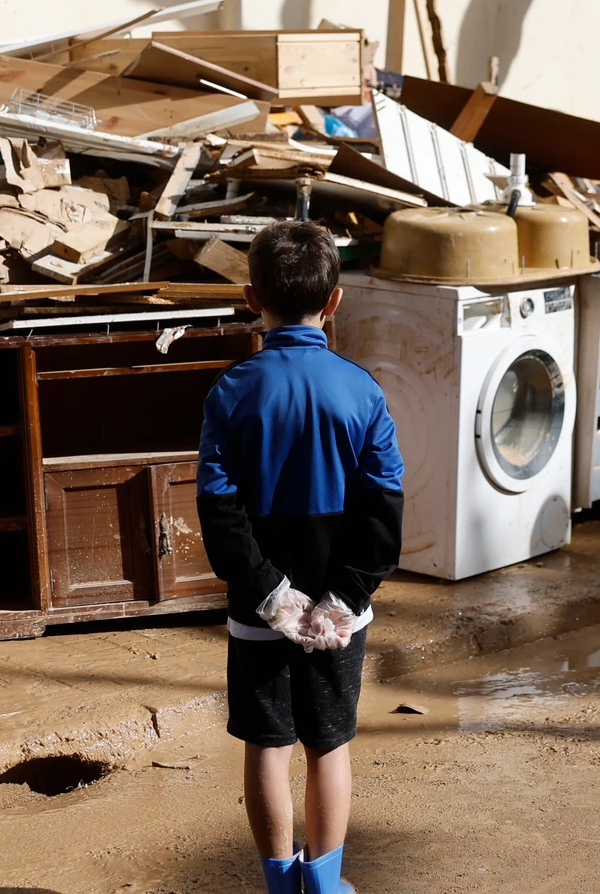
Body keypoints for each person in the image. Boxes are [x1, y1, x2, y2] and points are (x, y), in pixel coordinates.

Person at [198, 220, 405, 894]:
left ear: (251, 297)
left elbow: (218, 511)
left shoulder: (230, 391)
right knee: (328, 743)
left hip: (259, 609)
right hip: (340, 608)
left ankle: (278, 883)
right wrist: (341, 599)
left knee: (268, 741)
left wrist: (272, 594)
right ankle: (325, 883)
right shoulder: (363, 392)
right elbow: (383, 513)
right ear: (336, 300)